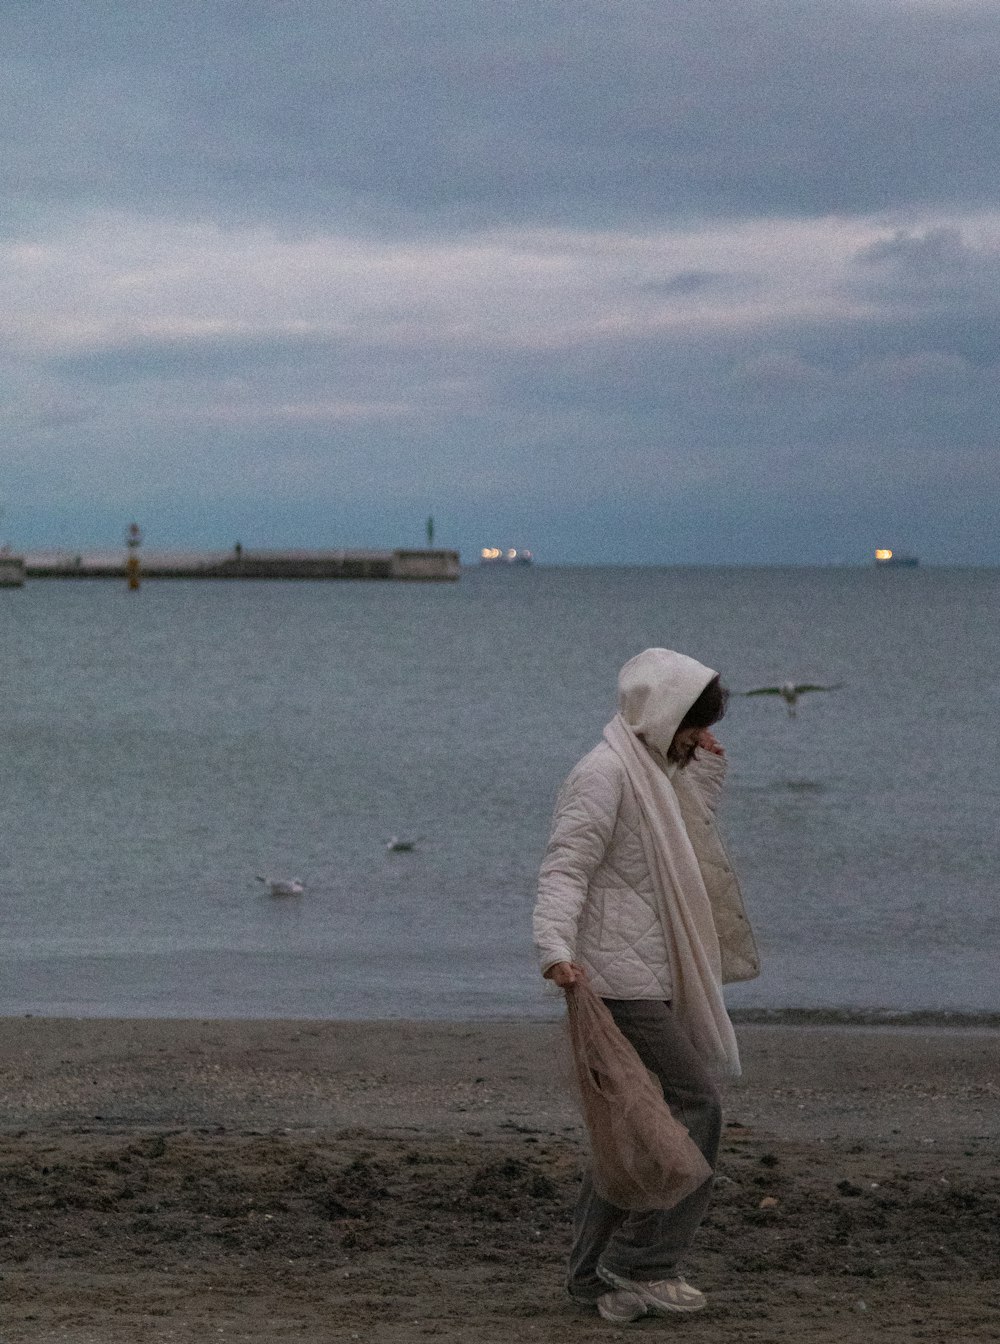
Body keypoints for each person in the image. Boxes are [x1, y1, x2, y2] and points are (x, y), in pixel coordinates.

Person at [533, 647, 760, 1325]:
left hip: (650, 974)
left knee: (631, 1130)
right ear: (663, 713)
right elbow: (565, 867)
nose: (697, 735)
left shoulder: (655, 774)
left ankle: (587, 1275)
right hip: (615, 981)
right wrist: (554, 949)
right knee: (698, 1108)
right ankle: (644, 1263)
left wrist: (706, 763)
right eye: (693, 723)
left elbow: (688, 836)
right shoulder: (603, 775)